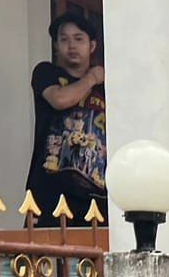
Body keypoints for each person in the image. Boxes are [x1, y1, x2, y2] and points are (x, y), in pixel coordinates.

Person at [26, 13, 108, 226]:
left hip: (96, 194)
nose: (71, 45)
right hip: (50, 190)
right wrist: (92, 78)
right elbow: (60, 99)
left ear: (92, 46)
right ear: (56, 46)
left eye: (78, 39)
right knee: (45, 247)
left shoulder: (107, 87)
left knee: (95, 247)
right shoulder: (46, 72)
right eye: (64, 39)